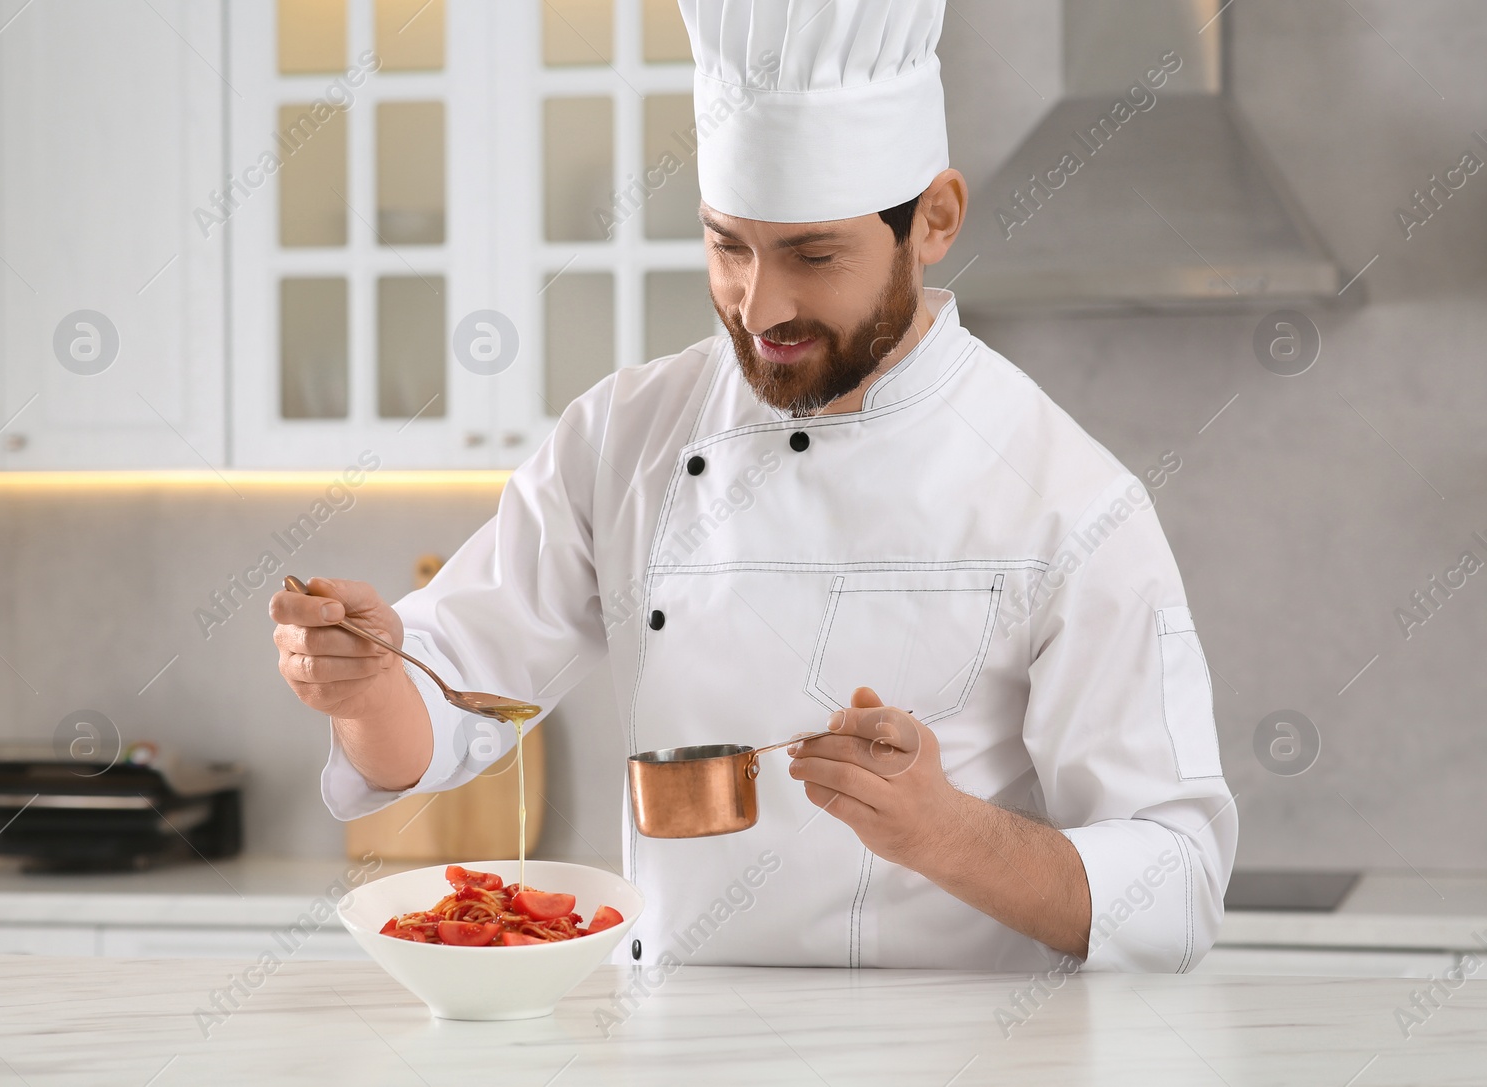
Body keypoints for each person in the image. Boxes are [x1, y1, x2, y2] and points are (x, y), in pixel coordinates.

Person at [271, 0, 1235, 972]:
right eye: (729, 245)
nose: (761, 305)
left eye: (813, 255)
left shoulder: (1069, 502)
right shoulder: (623, 435)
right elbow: (447, 707)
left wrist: (943, 830)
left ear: (933, 219)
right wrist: (367, 684)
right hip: (667, 1048)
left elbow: (1177, 888)